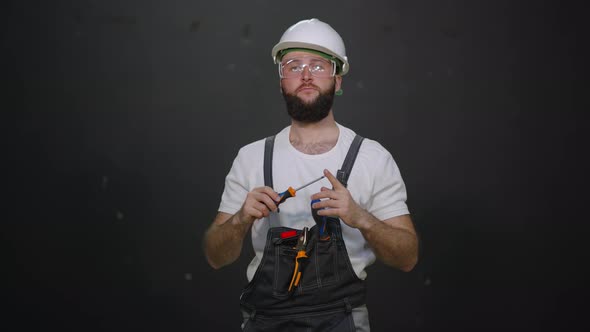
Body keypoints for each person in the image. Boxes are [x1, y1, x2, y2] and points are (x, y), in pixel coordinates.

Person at [203, 18, 418, 331]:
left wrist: (360, 217)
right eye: (293, 65)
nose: (305, 75)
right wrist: (240, 219)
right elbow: (214, 256)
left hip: (342, 322)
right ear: (281, 80)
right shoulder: (251, 158)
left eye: (318, 65)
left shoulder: (372, 158)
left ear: (338, 80)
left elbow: (408, 258)